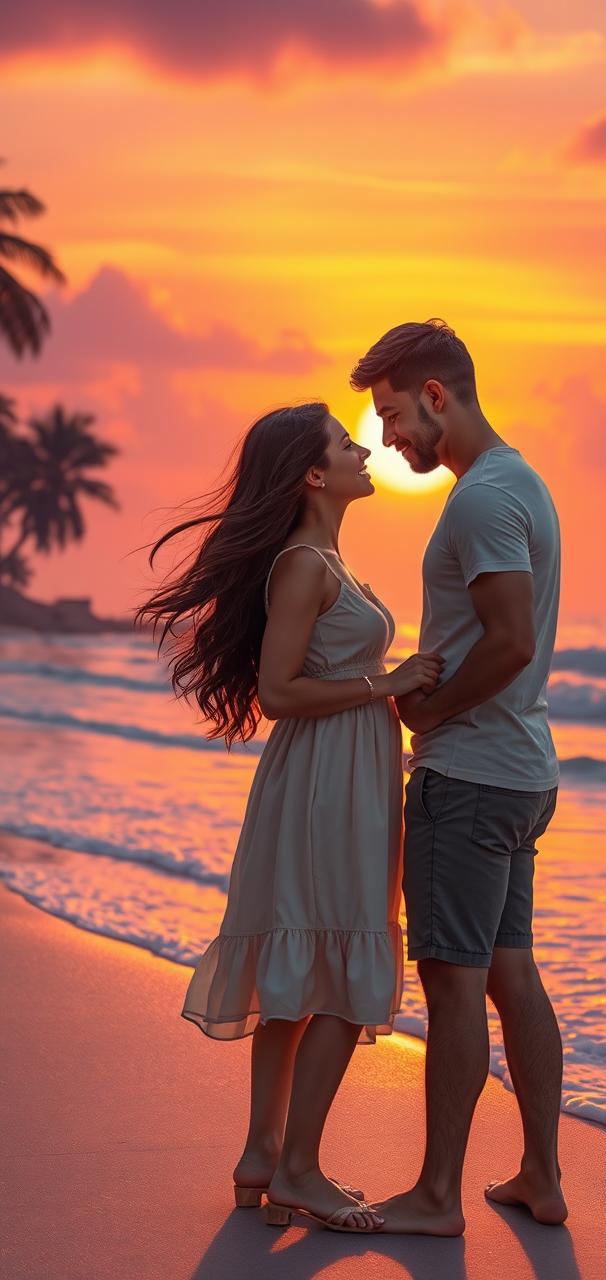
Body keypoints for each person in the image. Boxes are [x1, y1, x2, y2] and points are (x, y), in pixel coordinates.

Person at [135, 402, 443, 1233]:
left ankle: (262, 1158)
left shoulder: (321, 559)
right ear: (313, 474)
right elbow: (277, 694)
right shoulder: (306, 564)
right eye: (347, 443)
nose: (363, 449)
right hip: (327, 779)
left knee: (301, 976)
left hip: (336, 772)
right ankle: (300, 1169)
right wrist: (389, 682)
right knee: (342, 965)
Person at [350, 321, 566, 1235]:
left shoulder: (481, 500)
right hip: (521, 774)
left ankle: (438, 1195)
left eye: (395, 417)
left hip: (471, 778)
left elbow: (511, 640)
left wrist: (429, 712)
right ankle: (540, 1178)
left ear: (437, 396)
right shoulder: (522, 482)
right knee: (512, 975)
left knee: (452, 982)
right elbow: (505, 639)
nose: (389, 442)